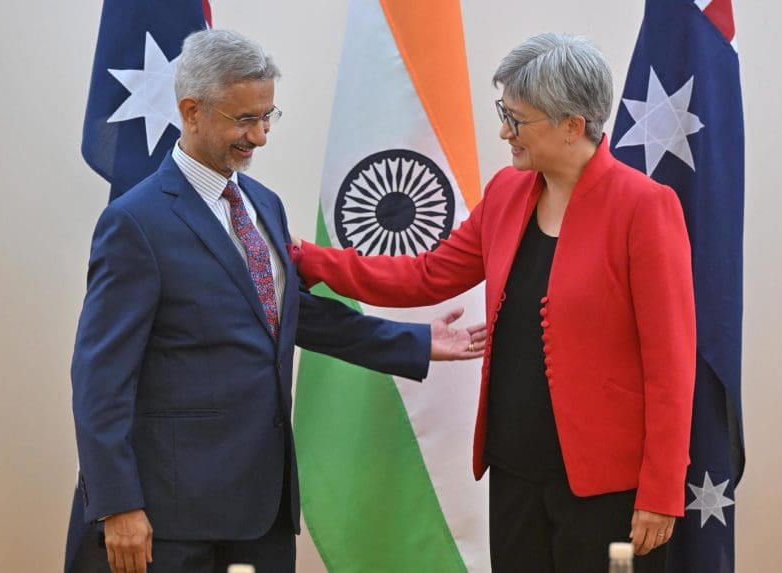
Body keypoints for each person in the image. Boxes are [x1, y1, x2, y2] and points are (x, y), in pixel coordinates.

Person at [68, 28, 485, 573]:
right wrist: (118, 504)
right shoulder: (135, 222)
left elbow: (286, 314)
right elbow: (99, 377)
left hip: (263, 506)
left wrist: (417, 341)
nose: (261, 137)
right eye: (245, 120)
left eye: (268, 117)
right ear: (192, 111)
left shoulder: (263, 204)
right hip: (172, 515)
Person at [290, 33, 696, 572]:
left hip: (608, 490)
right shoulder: (507, 191)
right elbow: (425, 276)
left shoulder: (644, 207)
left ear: (572, 125)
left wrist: (662, 491)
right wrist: (306, 259)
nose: (504, 131)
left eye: (517, 119)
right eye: (504, 113)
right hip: (513, 473)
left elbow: (671, 365)